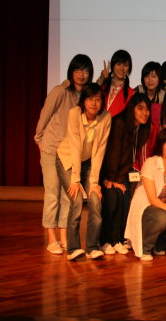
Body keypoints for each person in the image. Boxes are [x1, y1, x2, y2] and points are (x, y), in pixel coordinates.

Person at [34, 54, 93, 254]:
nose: (81, 74)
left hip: (69, 153)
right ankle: (51, 240)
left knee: (68, 197)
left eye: (85, 70)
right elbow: (44, 115)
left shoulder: (85, 97)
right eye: (78, 69)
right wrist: (39, 140)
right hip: (52, 150)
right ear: (71, 71)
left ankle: (63, 238)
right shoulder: (60, 91)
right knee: (52, 194)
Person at [55, 83, 112, 260]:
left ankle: (92, 247)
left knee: (95, 199)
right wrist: (75, 179)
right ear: (83, 101)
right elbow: (74, 146)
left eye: (98, 99)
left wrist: (94, 183)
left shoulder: (105, 117)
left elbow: (99, 151)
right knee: (77, 199)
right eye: (90, 99)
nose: (94, 103)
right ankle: (73, 248)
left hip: (88, 164)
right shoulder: (74, 114)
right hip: (67, 160)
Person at [99, 93, 151, 255]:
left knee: (123, 199)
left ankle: (117, 239)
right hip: (107, 172)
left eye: (147, 109)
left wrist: (119, 178)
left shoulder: (139, 128)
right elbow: (113, 153)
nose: (144, 113)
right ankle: (105, 241)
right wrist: (111, 178)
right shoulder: (120, 123)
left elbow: (128, 156)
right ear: (132, 108)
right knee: (113, 198)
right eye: (140, 108)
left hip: (121, 173)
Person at [125, 128, 166, 260]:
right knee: (163, 217)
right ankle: (145, 248)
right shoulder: (151, 163)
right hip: (147, 210)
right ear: (161, 145)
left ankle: (159, 245)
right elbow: (152, 199)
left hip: (164, 211)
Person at [98, 49, 135, 117]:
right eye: (118, 64)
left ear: (129, 68)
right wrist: (102, 78)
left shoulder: (131, 93)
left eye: (125, 65)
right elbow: (90, 95)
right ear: (113, 66)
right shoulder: (103, 85)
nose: (122, 68)